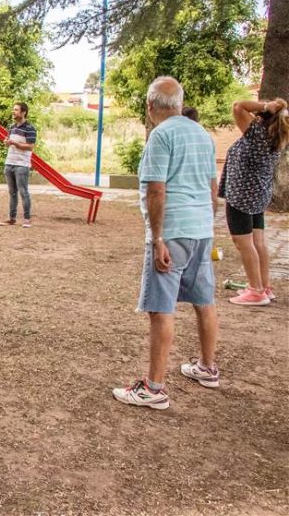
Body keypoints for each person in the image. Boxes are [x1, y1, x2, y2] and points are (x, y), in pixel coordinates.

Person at [113, 77, 219, 411]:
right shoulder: (202, 134)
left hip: (173, 231)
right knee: (204, 300)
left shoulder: (161, 135)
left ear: (150, 105)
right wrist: (207, 222)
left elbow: (156, 190)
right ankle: (207, 367)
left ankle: (154, 387)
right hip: (200, 229)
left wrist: (158, 238)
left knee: (161, 308)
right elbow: (212, 188)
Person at [219, 97, 289, 305]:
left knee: (243, 242)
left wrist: (267, 107)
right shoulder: (278, 138)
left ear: (264, 118)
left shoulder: (256, 134)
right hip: (258, 193)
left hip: (242, 195)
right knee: (258, 241)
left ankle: (256, 290)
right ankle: (264, 286)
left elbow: (238, 105)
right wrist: (272, 110)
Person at [0, 102, 37, 228]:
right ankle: (11, 218)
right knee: (12, 192)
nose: (13, 112)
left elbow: (30, 147)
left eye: (16, 110)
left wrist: (14, 143)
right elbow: (10, 142)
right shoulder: (12, 127)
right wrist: (7, 142)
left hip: (22, 165)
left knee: (23, 192)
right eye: (13, 109)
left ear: (23, 112)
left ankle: (27, 219)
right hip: (9, 163)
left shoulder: (30, 128)